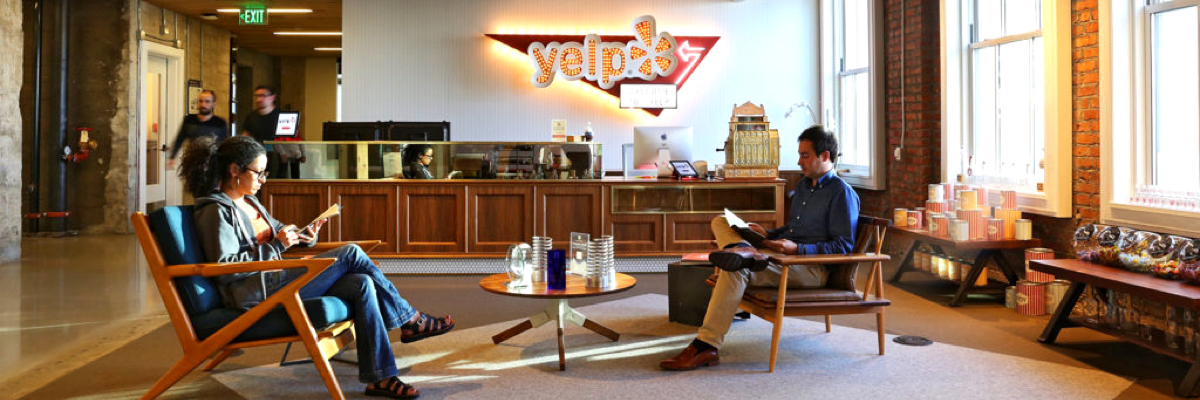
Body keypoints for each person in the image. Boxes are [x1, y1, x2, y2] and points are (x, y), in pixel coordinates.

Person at [178, 136, 453, 399]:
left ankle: (381, 377)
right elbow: (226, 268)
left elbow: (279, 232)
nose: (264, 179)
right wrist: (277, 245)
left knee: (361, 283)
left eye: (265, 173)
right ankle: (410, 319)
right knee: (351, 253)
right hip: (256, 294)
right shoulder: (216, 211)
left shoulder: (249, 201)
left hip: (277, 281)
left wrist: (303, 236)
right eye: (258, 173)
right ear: (234, 170)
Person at [660, 125, 860, 371]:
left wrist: (797, 250)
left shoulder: (842, 193)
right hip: (781, 257)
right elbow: (793, 230)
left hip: (810, 269)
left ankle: (706, 345)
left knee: (735, 270)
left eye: (805, 155)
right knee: (720, 221)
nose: (799, 161)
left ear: (825, 156)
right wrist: (768, 234)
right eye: (800, 155)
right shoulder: (804, 186)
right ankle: (742, 249)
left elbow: (843, 246)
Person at [241, 85, 305, 178]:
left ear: (272, 97)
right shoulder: (251, 116)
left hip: (280, 160)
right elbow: (246, 138)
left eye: (263, 95)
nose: (258, 99)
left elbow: (292, 140)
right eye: (256, 96)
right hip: (258, 160)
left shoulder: (283, 116)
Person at [167, 90, 227, 170]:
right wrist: (172, 157)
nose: (203, 104)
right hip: (192, 166)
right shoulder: (189, 120)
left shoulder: (220, 123)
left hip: (213, 167)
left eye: (207, 101)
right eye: (201, 101)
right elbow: (179, 139)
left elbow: (224, 146)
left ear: (213, 104)